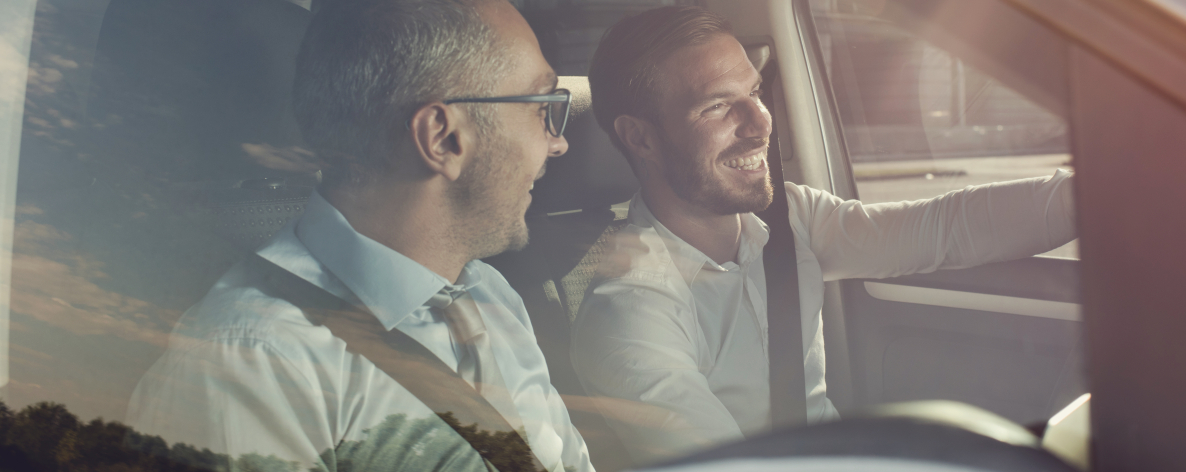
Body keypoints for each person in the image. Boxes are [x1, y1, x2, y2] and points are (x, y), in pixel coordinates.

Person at [569, 6, 1076, 464]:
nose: (761, 124)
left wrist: (1102, 193)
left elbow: (944, 229)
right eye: (718, 107)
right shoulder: (630, 314)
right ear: (641, 137)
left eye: (755, 93)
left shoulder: (791, 219)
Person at [125, 0, 593, 471]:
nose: (558, 141)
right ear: (443, 138)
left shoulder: (490, 297)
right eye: (540, 107)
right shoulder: (252, 363)